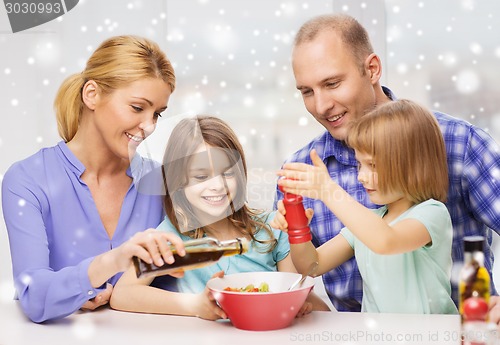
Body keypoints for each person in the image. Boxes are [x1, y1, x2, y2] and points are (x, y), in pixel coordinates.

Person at [275, 13, 500, 314]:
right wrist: (294, 225)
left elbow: (385, 241)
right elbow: (304, 270)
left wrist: (327, 191)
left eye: (332, 83)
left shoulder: (459, 144)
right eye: (306, 91)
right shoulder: (305, 171)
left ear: (372, 69)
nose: (320, 106)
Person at [1, 35, 186, 323]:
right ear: (92, 95)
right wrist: (109, 264)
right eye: (138, 108)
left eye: (157, 114)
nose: (149, 127)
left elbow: (183, 279)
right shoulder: (27, 180)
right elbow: (33, 296)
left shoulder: (159, 180)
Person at [110, 115, 330, 319]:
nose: (217, 186)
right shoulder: (171, 238)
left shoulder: (271, 229)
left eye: (227, 173)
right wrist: (196, 305)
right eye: (201, 176)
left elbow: (297, 294)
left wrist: (299, 305)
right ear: (178, 181)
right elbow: (124, 294)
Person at [272, 99, 457, 314]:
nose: (361, 176)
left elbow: (386, 241)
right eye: (360, 164)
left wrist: (327, 190)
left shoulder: (432, 213)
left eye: (373, 165)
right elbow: (312, 266)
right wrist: (298, 230)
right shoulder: (368, 223)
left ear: (414, 166)